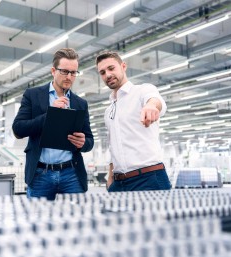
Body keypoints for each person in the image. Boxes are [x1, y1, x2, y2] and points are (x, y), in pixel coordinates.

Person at [12, 48, 94, 200]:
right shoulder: (33, 95)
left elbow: (90, 141)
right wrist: (50, 114)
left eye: (73, 72)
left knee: (76, 221)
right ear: (53, 71)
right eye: (64, 71)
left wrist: (83, 143)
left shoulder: (80, 103)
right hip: (40, 174)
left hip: (72, 174)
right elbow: (18, 129)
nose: (69, 77)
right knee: (38, 220)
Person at [95, 50, 171, 192]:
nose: (108, 75)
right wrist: (111, 175)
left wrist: (151, 106)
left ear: (123, 66)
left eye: (111, 68)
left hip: (149, 178)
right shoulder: (109, 110)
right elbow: (114, 146)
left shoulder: (142, 91)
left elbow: (155, 99)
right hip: (119, 183)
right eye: (102, 72)